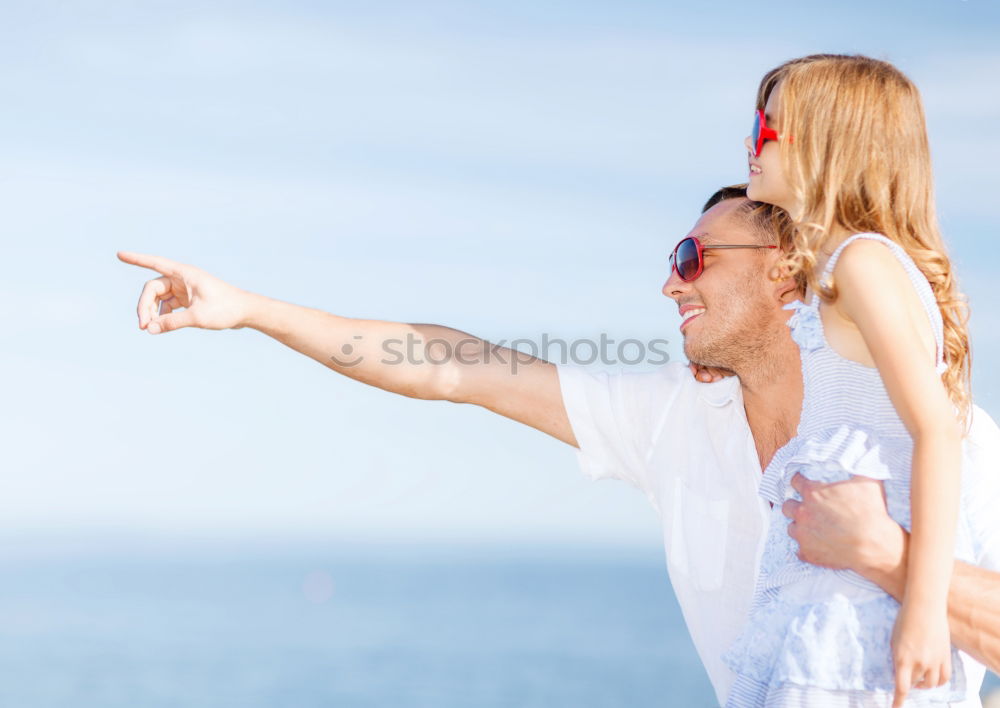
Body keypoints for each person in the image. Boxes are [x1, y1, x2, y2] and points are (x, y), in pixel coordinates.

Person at [116, 186, 1000, 707]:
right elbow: (451, 366)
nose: (668, 281)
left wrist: (887, 557)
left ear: (782, 268)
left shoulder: (932, 427)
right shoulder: (671, 420)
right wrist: (252, 310)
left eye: (694, 255)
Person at [722, 54, 976, 708]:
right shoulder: (848, 267)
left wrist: (923, 612)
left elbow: (938, 432)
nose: (751, 142)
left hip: (860, 609)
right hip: (837, 592)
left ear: (832, 144)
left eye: (769, 128)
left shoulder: (863, 263)